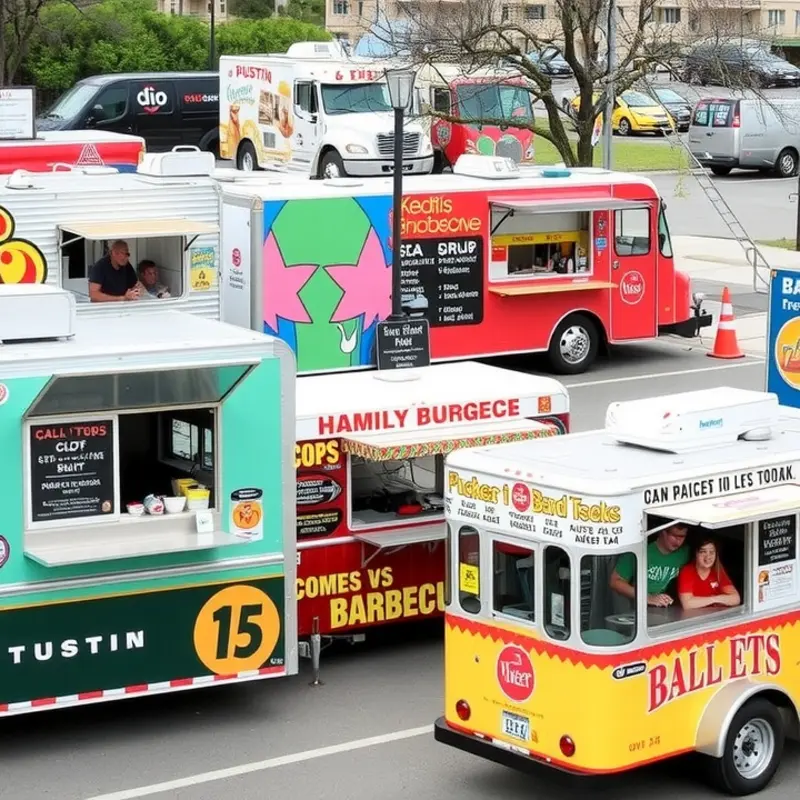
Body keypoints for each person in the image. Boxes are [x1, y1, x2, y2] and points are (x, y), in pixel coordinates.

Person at [610, 522, 691, 607]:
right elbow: (615, 581)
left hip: (668, 608)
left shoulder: (685, 552)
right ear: (662, 532)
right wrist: (646, 597)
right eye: (674, 536)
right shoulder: (639, 550)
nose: (678, 541)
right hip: (637, 609)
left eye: (682, 536)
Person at [677, 537, 741, 611]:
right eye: (703, 552)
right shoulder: (687, 571)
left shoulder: (717, 570)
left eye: (712, 552)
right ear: (696, 553)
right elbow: (687, 604)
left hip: (713, 615)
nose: (708, 556)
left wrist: (715, 599)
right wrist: (714, 599)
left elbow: (736, 599)